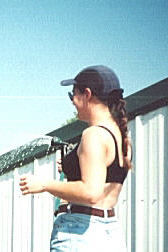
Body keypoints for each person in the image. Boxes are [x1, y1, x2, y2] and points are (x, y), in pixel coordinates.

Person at [19, 65, 132, 251]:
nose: (72, 101)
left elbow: (91, 192)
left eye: (73, 94)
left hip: (81, 233)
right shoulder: (121, 137)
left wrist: (44, 184)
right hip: (110, 233)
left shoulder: (93, 135)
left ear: (87, 94)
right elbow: (104, 180)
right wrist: (73, 167)